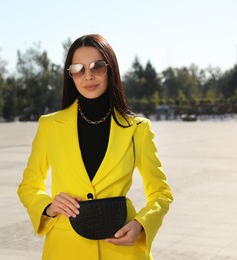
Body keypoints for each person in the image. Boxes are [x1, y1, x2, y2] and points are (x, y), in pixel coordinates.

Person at [17, 34, 173, 260]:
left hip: (122, 247)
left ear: (110, 69)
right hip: (65, 248)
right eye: (78, 69)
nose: (88, 76)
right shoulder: (49, 126)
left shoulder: (138, 128)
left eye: (97, 67)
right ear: (70, 75)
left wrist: (141, 224)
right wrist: (48, 206)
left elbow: (161, 193)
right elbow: (28, 186)